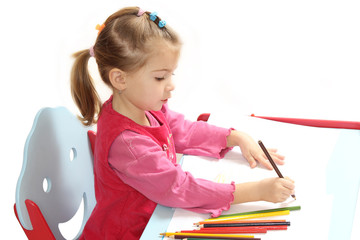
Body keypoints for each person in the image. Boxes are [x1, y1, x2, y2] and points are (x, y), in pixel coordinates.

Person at [70, 6, 295, 240]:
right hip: (133, 233)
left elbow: (183, 130)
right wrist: (256, 191)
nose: (171, 85)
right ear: (120, 79)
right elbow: (178, 188)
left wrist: (236, 137)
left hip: (159, 217)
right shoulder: (127, 144)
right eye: (160, 77)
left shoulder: (143, 108)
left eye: (171, 75)